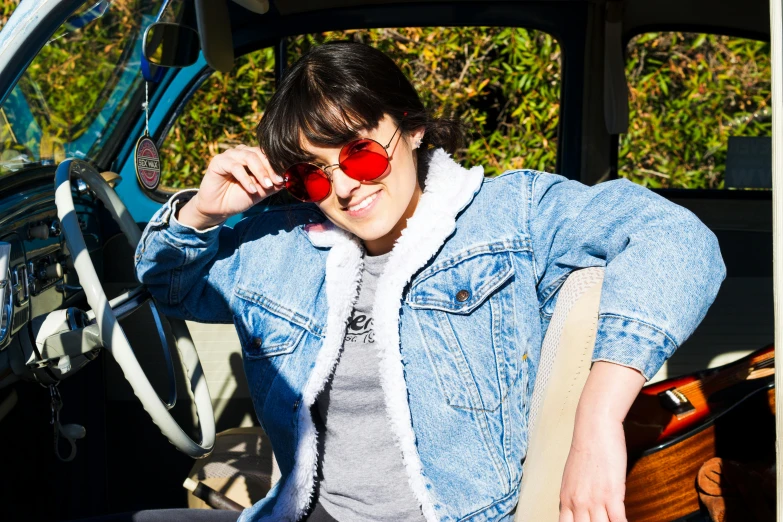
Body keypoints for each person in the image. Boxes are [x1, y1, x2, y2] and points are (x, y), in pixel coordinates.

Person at [134, 41, 725, 522]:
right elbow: (168, 286)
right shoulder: (283, 244)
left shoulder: (508, 214)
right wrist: (200, 216)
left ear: (412, 129)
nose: (344, 188)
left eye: (361, 154)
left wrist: (597, 423)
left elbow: (679, 240)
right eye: (314, 176)